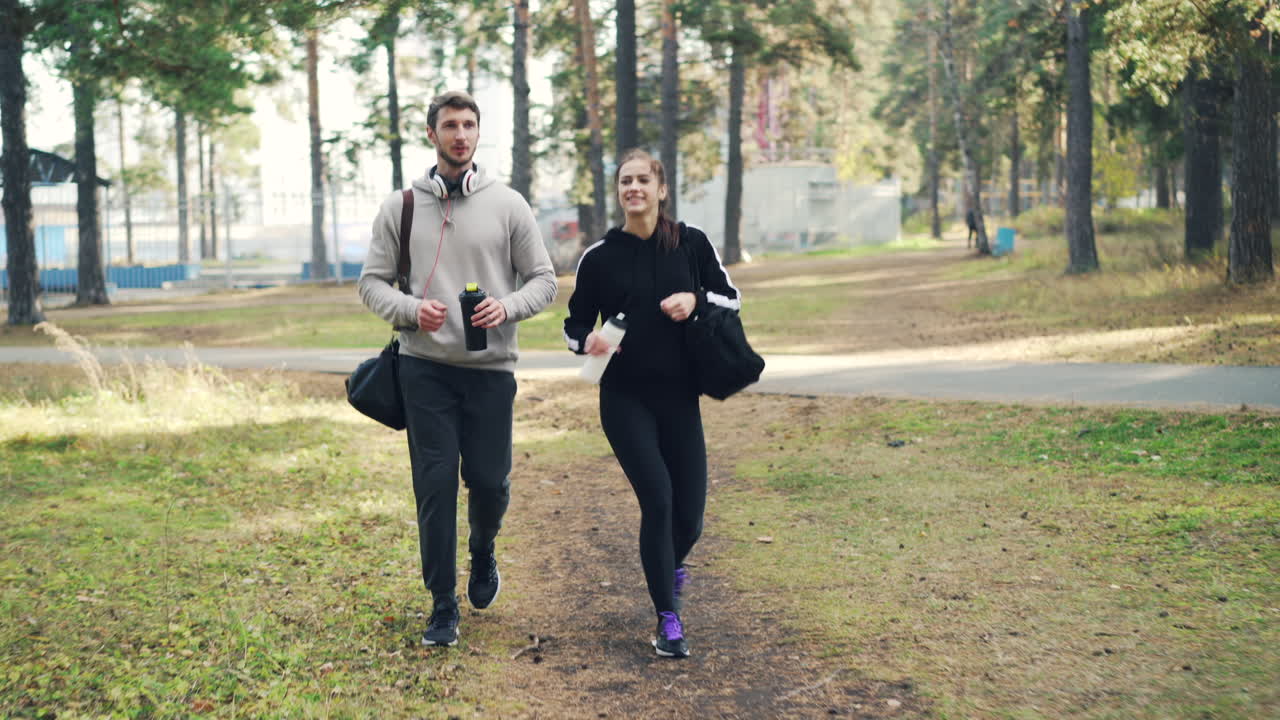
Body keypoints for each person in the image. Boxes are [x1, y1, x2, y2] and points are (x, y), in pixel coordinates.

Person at [358, 90, 557, 647]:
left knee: (490, 483)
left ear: (477, 133)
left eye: (469, 125)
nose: (461, 134)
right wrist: (409, 310)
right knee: (436, 483)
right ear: (432, 134)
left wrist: (508, 306)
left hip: (492, 369)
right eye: (450, 125)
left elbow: (544, 280)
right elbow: (370, 283)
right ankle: (443, 604)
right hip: (424, 368)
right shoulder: (400, 207)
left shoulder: (509, 204)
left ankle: (483, 549)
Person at [562, 148, 742, 658]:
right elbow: (573, 324)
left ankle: (670, 566)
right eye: (625, 181)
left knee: (692, 519)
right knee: (658, 501)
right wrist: (587, 342)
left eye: (643, 180)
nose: (634, 188)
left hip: (681, 397)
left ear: (662, 189)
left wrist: (696, 300)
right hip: (623, 398)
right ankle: (668, 618)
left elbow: (731, 297)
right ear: (619, 192)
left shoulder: (690, 244)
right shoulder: (598, 257)